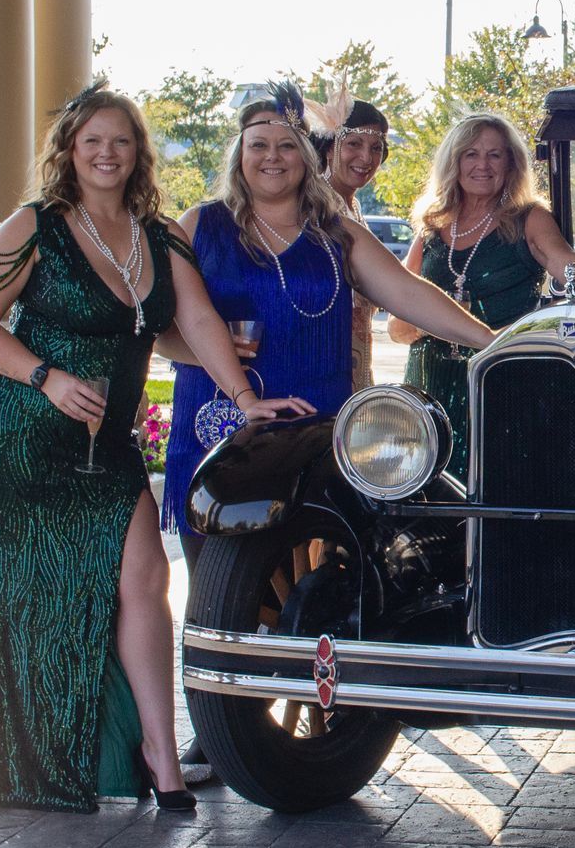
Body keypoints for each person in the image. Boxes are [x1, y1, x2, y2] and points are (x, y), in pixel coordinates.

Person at [0, 86, 311, 812]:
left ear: (137, 153)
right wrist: (45, 377)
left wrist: (246, 399)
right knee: (41, 595)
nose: (107, 153)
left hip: (105, 442)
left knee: (145, 578)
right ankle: (39, 758)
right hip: (20, 431)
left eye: (120, 141)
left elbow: (200, 322)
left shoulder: (159, 236)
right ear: (69, 151)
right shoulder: (32, 227)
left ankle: (160, 752)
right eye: (93, 141)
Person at [159, 86, 501, 567]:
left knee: (313, 590)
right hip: (219, 424)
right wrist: (218, 353)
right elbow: (164, 333)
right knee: (222, 593)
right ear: (240, 155)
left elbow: (407, 293)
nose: (272, 158)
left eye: (285, 146)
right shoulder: (195, 226)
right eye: (258, 145)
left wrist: (494, 341)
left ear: (305, 155)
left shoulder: (337, 232)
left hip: (313, 427)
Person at [388, 111, 575, 479]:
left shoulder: (528, 218)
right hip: (430, 389)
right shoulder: (430, 227)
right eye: (471, 154)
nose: (482, 165)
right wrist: (438, 318)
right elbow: (396, 326)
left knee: (502, 481)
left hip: (502, 382)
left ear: (511, 164)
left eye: (494, 154)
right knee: (426, 495)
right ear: (454, 162)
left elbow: (564, 261)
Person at [310, 87, 393, 392]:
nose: (366, 157)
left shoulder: (353, 208)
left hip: (355, 362)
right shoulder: (315, 208)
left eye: (376, 147)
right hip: (320, 364)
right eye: (354, 144)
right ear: (329, 148)